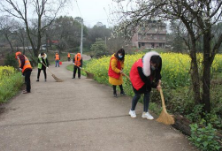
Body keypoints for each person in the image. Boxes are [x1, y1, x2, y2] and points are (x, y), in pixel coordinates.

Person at [129, 51, 162, 120]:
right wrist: (155, 86)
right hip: (137, 79)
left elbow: (157, 71)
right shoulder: (140, 66)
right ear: (149, 61)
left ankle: (145, 112)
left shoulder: (156, 62)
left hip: (146, 78)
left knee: (147, 93)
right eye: (153, 64)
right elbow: (145, 80)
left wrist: (158, 79)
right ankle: (132, 110)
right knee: (138, 94)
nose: (154, 65)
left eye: (155, 64)